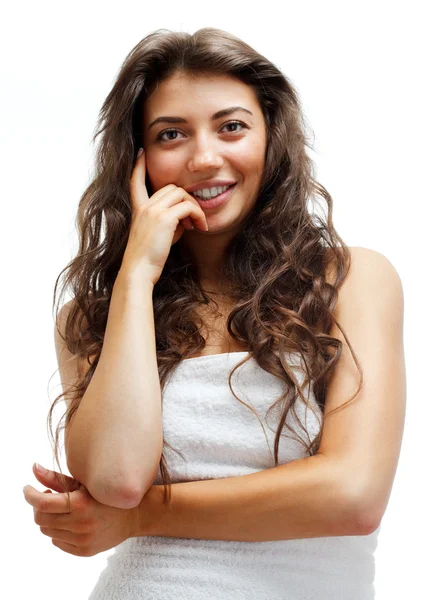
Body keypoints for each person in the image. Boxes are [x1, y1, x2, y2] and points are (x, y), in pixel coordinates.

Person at [23, 27, 405, 599]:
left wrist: (142, 518)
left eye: (231, 127)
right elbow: (118, 478)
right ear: (138, 157)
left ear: (271, 139)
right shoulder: (93, 315)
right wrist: (135, 277)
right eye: (170, 134)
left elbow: (352, 495)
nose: (204, 158)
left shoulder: (351, 280)